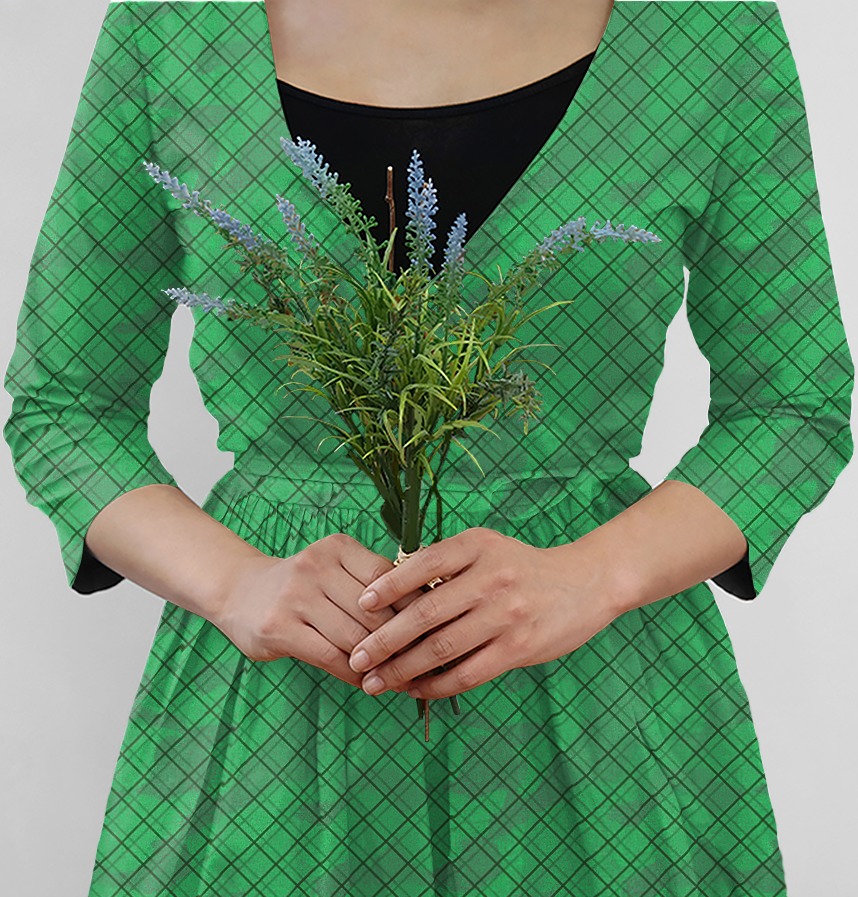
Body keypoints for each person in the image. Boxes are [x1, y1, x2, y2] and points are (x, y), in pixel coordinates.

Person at [3, 0, 854, 893]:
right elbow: (66, 404)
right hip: (275, 722)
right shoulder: (172, 28)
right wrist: (233, 582)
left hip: (599, 718)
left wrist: (594, 575)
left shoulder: (708, 32)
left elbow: (790, 403)